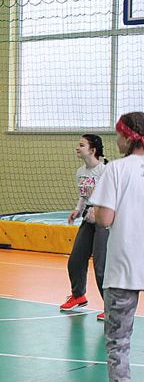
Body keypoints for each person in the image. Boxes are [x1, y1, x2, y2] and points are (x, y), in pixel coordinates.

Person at [89, 112, 144, 382]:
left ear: (128, 137)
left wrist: (95, 209)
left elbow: (106, 219)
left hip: (124, 267)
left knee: (118, 344)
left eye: (119, 135)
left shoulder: (116, 170)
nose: (117, 140)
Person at [60, 134, 109, 320]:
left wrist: (99, 210)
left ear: (92, 150)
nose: (77, 148)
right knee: (76, 259)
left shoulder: (104, 171)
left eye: (81, 145)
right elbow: (83, 195)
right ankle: (78, 295)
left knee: (101, 265)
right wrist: (77, 210)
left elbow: (112, 196)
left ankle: (111, 307)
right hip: (88, 217)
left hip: (104, 217)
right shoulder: (80, 172)